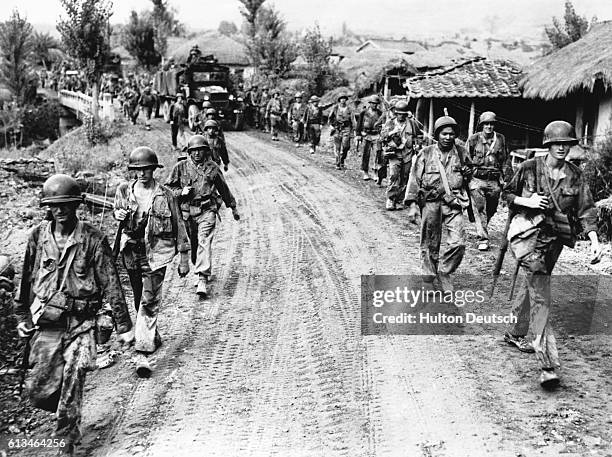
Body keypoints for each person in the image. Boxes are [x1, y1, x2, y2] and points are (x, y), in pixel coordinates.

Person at [14, 174, 134, 456]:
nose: (60, 210)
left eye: (66, 204)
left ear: (76, 205)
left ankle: (65, 442)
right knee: (39, 389)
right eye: (55, 205)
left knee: (74, 372)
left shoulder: (93, 239)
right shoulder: (38, 237)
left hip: (83, 323)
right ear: (47, 207)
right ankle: (66, 412)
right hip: (48, 324)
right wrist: (22, 317)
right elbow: (27, 280)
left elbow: (111, 283)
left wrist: (124, 326)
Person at [502, 120, 602, 388]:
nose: (561, 148)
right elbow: (507, 193)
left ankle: (514, 331)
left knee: (534, 283)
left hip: (554, 241)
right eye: (557, 143)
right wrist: (528, 201)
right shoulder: (529, 167)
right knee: (542, 296)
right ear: (548, 144)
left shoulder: (574, 175)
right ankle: (547, 365)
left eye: (566, 144)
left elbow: (586, 209)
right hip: (528, 239)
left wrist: (593, 239)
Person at [113, 147, 190, 377]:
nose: (142, 173)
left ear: (154, 170)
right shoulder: (124, 190)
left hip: (156, 254)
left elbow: (179, 225)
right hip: (131, 251)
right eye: (137, 169)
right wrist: (117, 214)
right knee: (139, 297)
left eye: (146, 169)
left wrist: (184, 257)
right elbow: (117, 212)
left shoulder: (165, 195)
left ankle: (142, 354)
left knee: (149, 299)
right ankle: (151, 335)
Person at [165, 135, 240, 296]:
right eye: (194, 151)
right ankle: (198, 267)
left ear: (206, 151)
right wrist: (181, 192)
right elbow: (167, 189)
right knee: (194, 246)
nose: (197, 154)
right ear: (189, 152)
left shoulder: (212, 168)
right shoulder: (180, 167)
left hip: (207, 211)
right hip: (187, 213)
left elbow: (223, 188)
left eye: (200, 150)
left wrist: (232, 207)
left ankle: (202, 278)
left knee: (204, 241)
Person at [404, 116, 473, 290]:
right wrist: (412, 204)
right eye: (444, 134)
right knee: (429, 243)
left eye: (451, 134)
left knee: (459, 242)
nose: (448, 137)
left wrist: (468, 173)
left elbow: (470, 176)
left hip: (454, 203)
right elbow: (414, 178)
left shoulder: (462, 152)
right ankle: (428, 279)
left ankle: (444, 272)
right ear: (437, 135)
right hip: (431, 202)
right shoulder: (426, 153)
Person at [467, 111, 510, 251]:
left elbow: (505, 160)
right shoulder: (474, 139)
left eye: (491, 124)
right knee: (480, 208)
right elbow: (466, 159)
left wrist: (506, 179)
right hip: (477, 179)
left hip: (494, 181)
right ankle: (483, 239)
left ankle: (481, 224)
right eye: (486, 124)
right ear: (481, 125)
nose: (489, 127)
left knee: (491, 208)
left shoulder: (501, 139)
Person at [380, 101, 420, 210]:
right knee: (393, 175)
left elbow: (418, 136)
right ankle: (390, 198)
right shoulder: (390, 123)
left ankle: (398, 199)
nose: (401, 116)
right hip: (394, 154)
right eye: (399, 114)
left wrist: (417, 145)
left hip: (407, 154)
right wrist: (392, 132)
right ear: (395, 113)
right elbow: (382, 137)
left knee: (405, 177)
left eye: (403, 114)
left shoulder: (412, 123)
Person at [357, 95, 383, 181]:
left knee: (376, 154)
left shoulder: (380, 113)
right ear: (370, 103)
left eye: (376, 104)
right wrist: (358, 134)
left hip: (376, 135)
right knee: (365, 154)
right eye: (373, 103)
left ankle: (375, 172)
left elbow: (382, 123)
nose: (374, 105)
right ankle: (365, 171)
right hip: (366, 135)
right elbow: (359, 124)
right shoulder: (364, 112)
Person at [328, 94, 354, 169]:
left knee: (346, 146)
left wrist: (354, 131)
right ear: (339, 100)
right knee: (337, 147)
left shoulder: (349, 109)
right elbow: (330, 118)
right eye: (341, 98)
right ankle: (337, 163)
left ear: (346, 100)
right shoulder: (335, 108)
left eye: (344, 99)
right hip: (337, 129)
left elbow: (353, 120)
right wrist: (331, 126)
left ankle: (342, 158)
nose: (343, 100)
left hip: (346, 129)